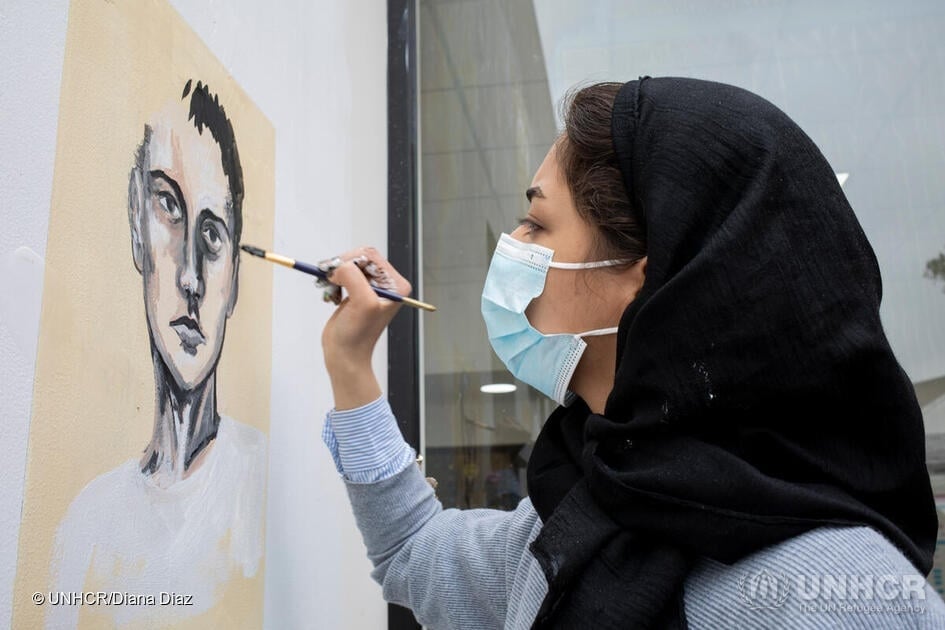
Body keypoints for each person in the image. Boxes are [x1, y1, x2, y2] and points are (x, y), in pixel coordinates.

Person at [320, 77, 945, 628]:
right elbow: (413, 550)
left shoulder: (842, 599)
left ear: (645, 280)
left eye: (537, 224)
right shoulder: (580, 515)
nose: (511, 243)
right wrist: (350, 362)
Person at [49, 80, 266, 627]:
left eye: (213, 236)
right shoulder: (85, 529)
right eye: (169, 207)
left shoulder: (262, 480)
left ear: (235, 278)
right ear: (135, 225)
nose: (191, 276)